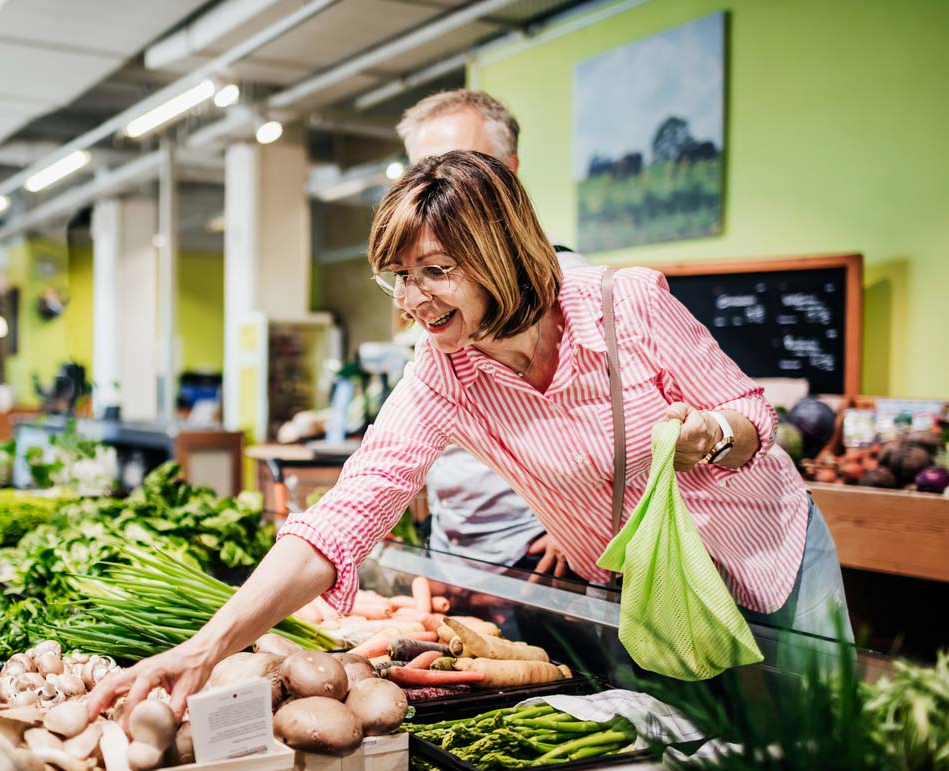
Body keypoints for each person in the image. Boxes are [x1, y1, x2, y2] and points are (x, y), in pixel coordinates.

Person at [88, 150, 850, 721]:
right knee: (698, 757)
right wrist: (204, 646)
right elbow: (346, 515)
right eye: (399, 277)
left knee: (818, 744)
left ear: (497, 250)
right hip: (645, 590)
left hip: (762, 554)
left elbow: (756, 418)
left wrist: (712, 434)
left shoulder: (626, 304)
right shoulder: (442, 373)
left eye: (436, 271)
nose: (413, 301)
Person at [397, 89, 583, 578]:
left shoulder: (578, 292)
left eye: (463, 166)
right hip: (456, 548)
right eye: (425, 174)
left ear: (509, 171)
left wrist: (583, 527)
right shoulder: (432, 313)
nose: (441, 191)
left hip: (539, 554)